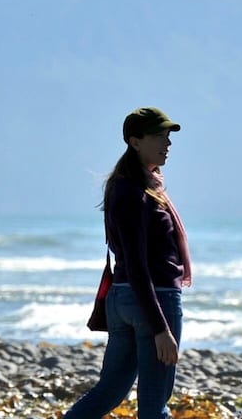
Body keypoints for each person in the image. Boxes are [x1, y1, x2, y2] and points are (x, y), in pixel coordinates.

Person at [65, 107, 194, 419]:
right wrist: (161, 329)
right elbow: (136, 264)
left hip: (124, 299)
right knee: (154, 403)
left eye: (168, 136)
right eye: (159, 136)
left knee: (109, 391)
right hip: (153, 299)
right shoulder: (135, 191)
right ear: (135, 142)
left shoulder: (134, 185)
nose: (168, 143)